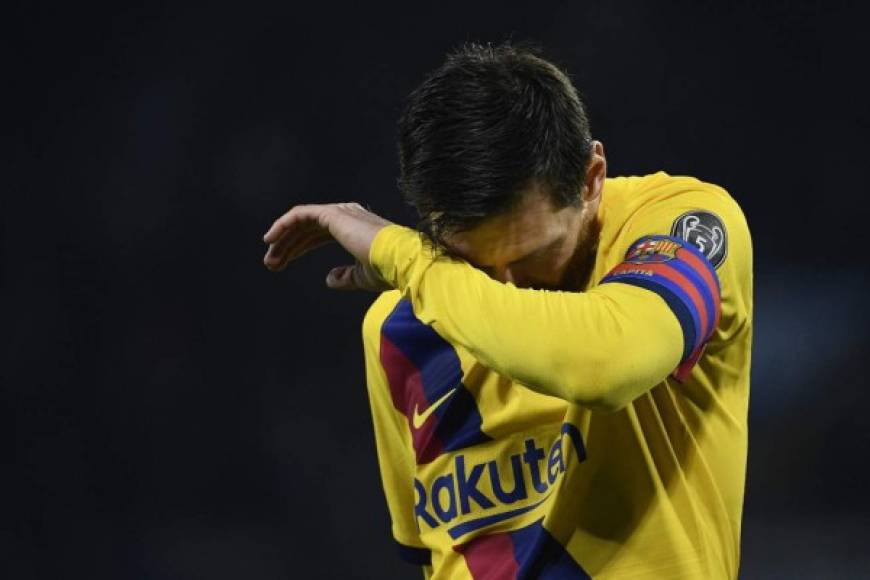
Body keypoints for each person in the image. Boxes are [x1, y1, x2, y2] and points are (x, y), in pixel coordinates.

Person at [262, 41, 752, 580]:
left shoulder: (679, 223)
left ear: (591, 179)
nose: (506, 285)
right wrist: (424, 268)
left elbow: (608, 366)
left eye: (532, 256)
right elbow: (431, 553)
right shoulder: (397, 328)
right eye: (473, 264)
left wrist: (407, 257)